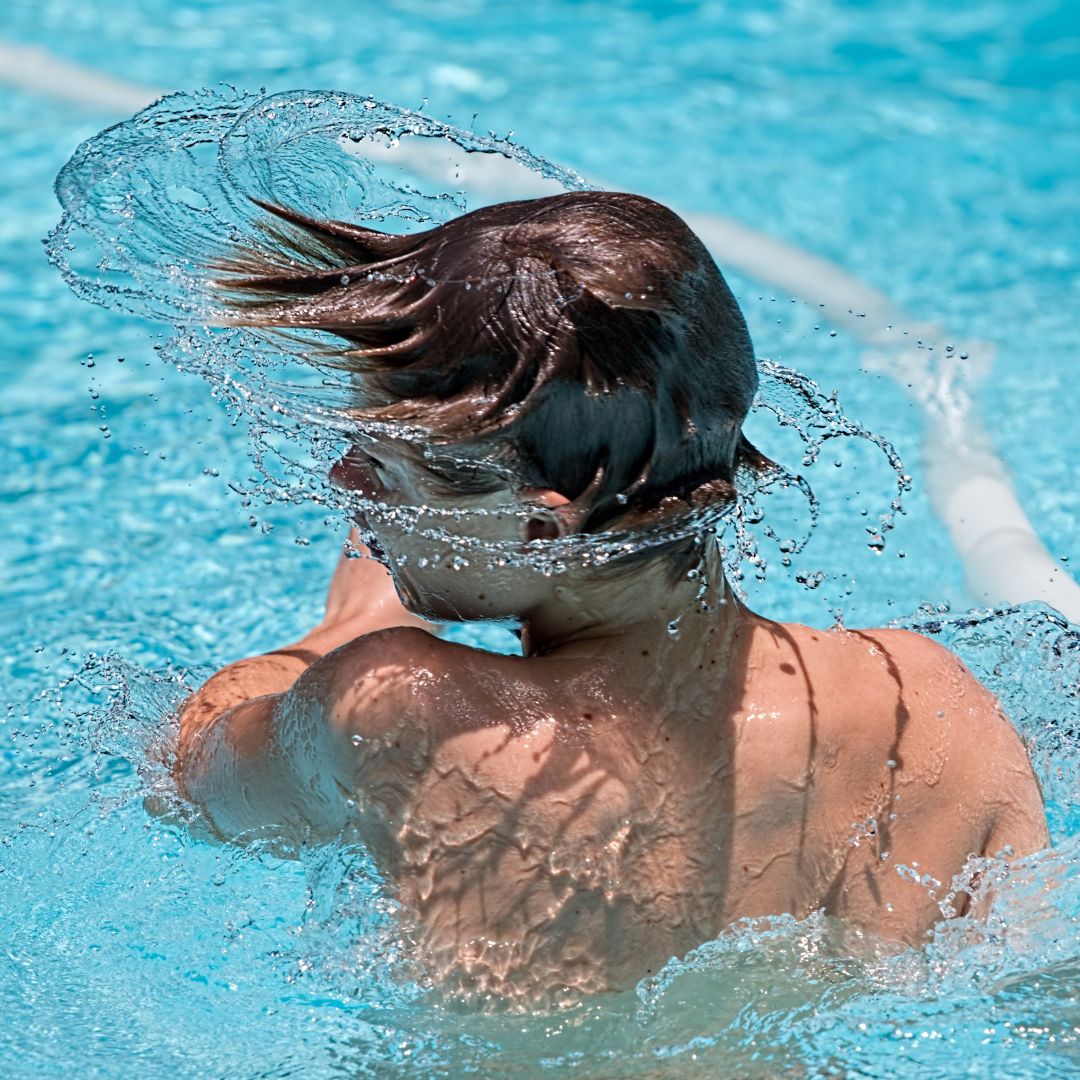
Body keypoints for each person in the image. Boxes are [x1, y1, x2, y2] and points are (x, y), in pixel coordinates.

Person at [175, 191, 1048, 1004]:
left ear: (542, 531)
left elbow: (189, 770)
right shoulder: (928, 704)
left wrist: (356, 626)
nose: (345, 483)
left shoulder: (405, 709)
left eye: (384, 468)